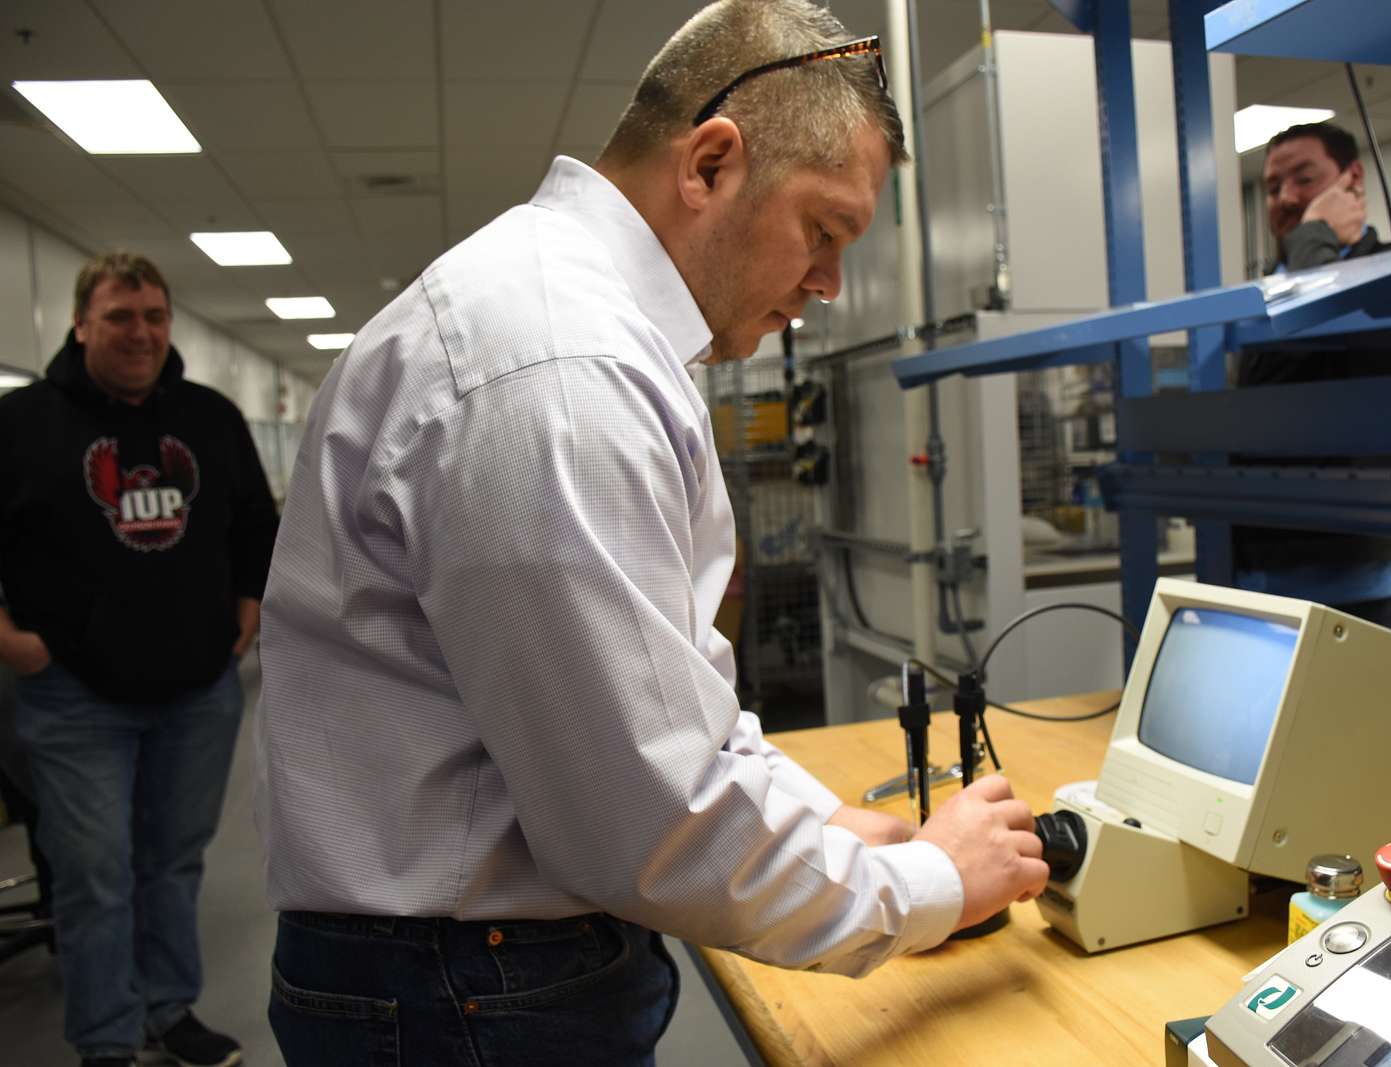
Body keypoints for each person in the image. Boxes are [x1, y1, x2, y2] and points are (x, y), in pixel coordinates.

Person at [256, 2, 1048, 1063]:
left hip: (466, 965)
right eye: (822, 232)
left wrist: (814, 822)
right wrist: (935, 882)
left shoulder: (577, 331)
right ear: (711, 164)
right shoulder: (558, 368)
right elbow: (649, 819)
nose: (828, 287)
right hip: (460, 992)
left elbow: (671, 702)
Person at [0, 252, 278, 1067]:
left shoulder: (209, 417)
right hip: (73, 695)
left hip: (198, 690)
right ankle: (108, 1039)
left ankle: (168, 1007)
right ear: (81, 323)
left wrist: (247, 612)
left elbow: (253, 527)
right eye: (121, 315)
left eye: (155, 315)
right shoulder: (22, 424)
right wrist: (11, 640)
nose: (141, 332)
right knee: (94, 874)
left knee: (171, 863)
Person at [1232, 122, 1391, 632]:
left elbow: (1312, 344)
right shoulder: (1268, 288)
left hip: (1353, 573)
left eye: (1304, 179)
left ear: (1353, 180)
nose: (1284, 198)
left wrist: (1313, 239)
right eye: (1274, 187)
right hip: (1262, 560)